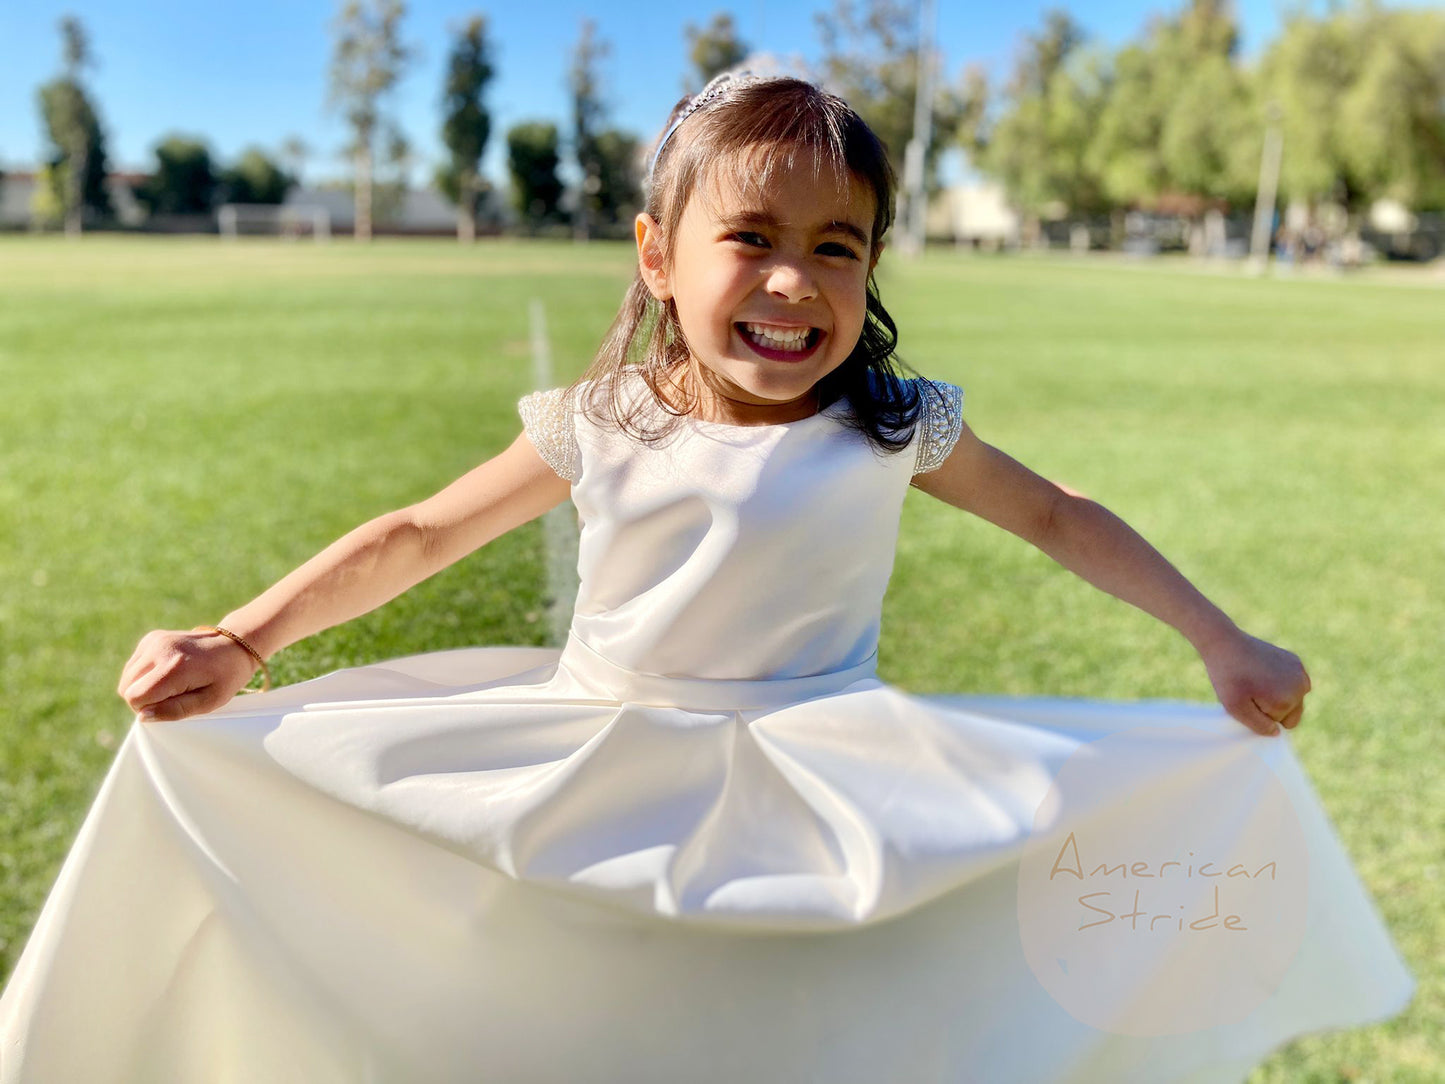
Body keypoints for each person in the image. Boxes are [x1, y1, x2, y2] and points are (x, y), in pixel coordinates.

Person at [0, 74, 1413, 1084]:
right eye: (751, 240)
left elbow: (1056, 516)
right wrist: (240, 642)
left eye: (834, 248)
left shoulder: (891, 423)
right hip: (601, 751)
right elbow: (417, 536)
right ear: (659, 259)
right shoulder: (602, 421)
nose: (793, 284)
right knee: (578, 990)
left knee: (816, 1005)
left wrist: (1216, 638)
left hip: (832, 759)